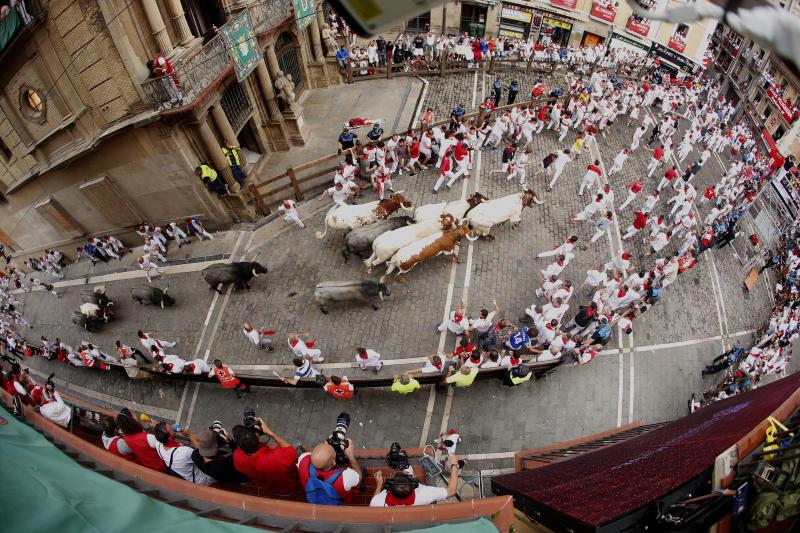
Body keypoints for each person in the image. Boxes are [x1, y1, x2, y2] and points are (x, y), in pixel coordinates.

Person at [232, 418, 302, 497]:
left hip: (272, 490)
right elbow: (292, 452)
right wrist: (269, 432)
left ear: (240, 447)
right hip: (292, 486)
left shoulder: (237, 458)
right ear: (257, 436)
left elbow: (238, 452)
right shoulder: (278, 457)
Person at [370, 454, 461, 506]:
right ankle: (408, 472)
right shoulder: (425, 493)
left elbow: (374, 501)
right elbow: (451, 491)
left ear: (388, 488)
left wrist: (379, 484)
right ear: (414, 485)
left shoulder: (377, 501)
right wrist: (454, 464)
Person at [298, 438, 363, 504]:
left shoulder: (303, 460)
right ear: (333, 462)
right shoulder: (346, 477)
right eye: (333, 451)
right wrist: (350, 455)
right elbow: (359, 477)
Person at [149, 422, 214, 485]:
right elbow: (204, 453)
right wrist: (190, 435)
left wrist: (156, 426)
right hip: (203, 479)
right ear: (169, 438)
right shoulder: (184, 452)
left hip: (189, 474)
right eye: (172, 429)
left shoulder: (159, 444)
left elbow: (159, 432)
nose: (173, 427)